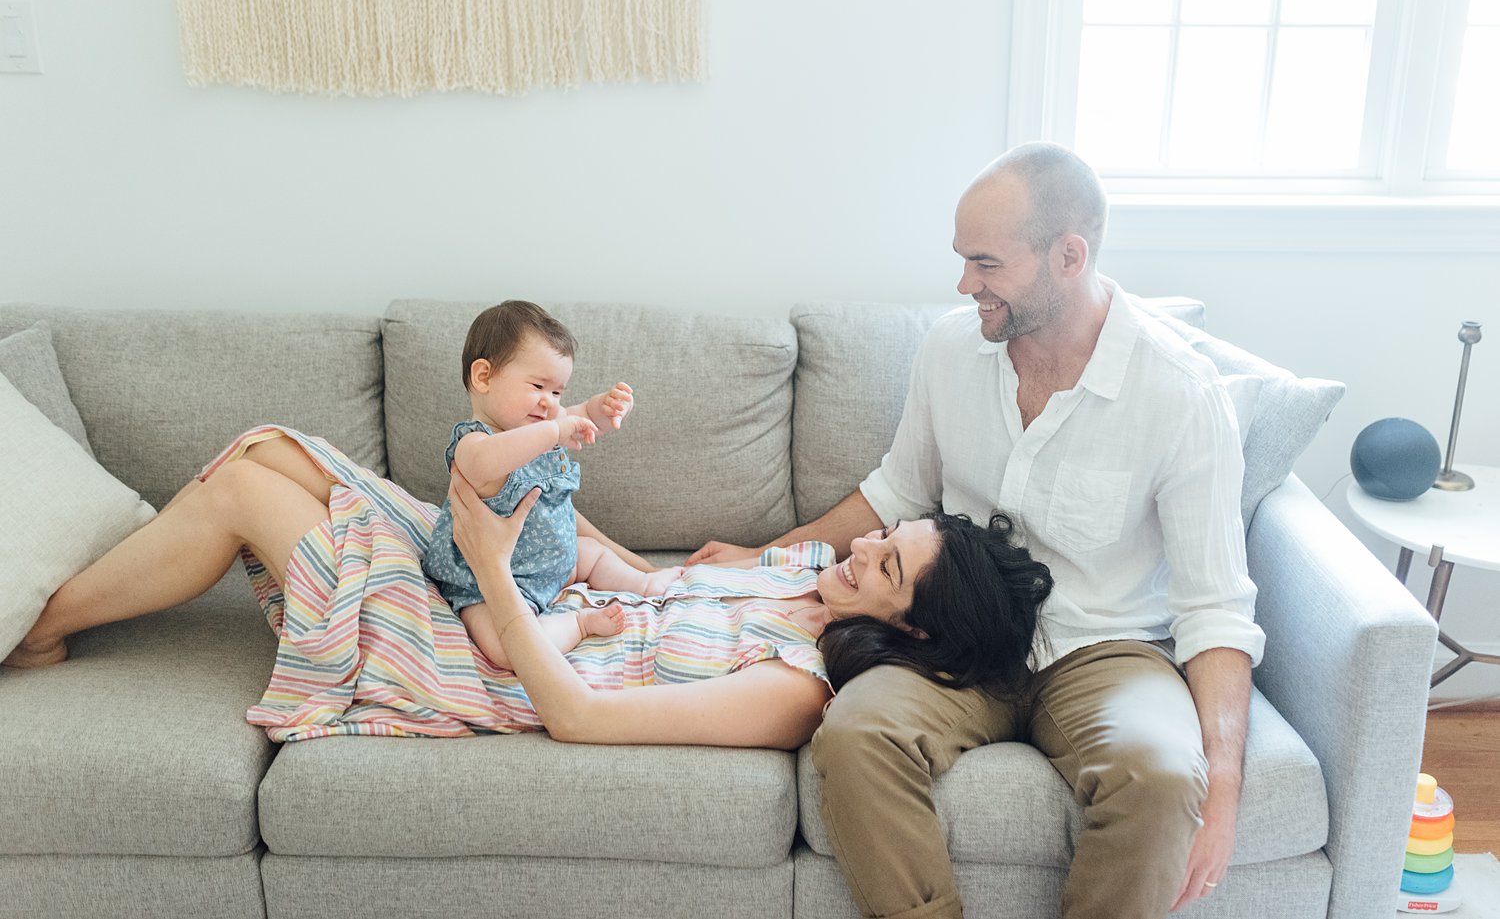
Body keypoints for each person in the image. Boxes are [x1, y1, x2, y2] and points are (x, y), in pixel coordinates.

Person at [687, 141, 1266, 918]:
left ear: (1069, 255)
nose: (965, 285)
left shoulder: (1179, 394)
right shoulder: (953, 350)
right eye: (964, 261)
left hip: (1106, 649)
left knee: (1161, 772)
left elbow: (1215, 607)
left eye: (986, 264)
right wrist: (762, 557)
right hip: (953, 635)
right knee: (854, 731)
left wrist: (1221, 784)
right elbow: (896, 491)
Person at [2, 425, 1052, 751]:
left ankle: (28, 620)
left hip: (484, 655)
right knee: (274, 449)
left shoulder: (794, 688)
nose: (858, 549)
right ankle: (46, 619)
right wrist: (539, 507)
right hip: (518, 591)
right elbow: (642, 581)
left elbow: (582, 713)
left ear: (914, 626)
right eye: (885, 537)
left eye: (884, 563)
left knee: (242, 492)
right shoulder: (795, 576)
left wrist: (494, 571)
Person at [420, 300, 681, 671]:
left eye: (558, 392)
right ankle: (576, 623)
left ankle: (645, 586)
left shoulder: (541, 424)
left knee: (592, 553)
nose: (550, 403)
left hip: (557, 565)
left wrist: (601, 411)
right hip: (488, 588)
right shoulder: (475, 443)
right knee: (506, 649)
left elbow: (582, 420)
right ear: (484, 377)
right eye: (538, 386)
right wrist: (555, 430)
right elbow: (489, 460)